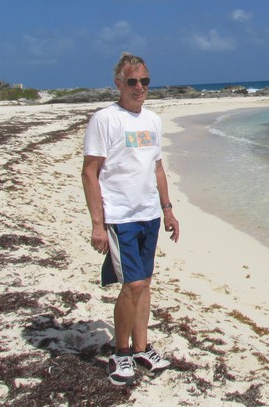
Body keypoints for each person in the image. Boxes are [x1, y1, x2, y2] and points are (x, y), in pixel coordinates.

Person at [81, 52, 180, 386]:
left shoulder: (152, 120)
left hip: (150, 213)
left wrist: (167, 210)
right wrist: (98, 223)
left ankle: (142, 348)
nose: (140, 87)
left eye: (145, 81)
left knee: (146, 283)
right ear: (119, 83)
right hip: (120, 217)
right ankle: (120, 352)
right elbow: (90, 173)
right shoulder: (104, 119)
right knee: (132, 284)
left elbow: (158, 167)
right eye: (133, 81)